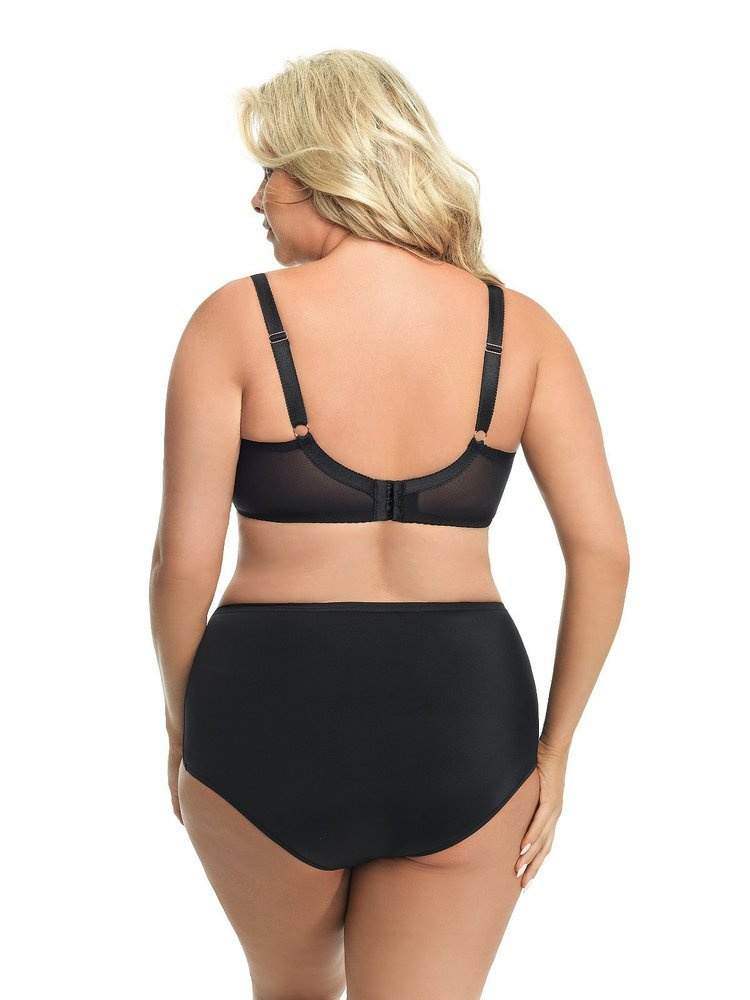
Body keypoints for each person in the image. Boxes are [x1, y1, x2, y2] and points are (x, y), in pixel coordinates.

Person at [149, 49, 629, 1000]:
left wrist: (182, 721)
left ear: (326, 168)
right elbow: (603, 552)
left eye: (271, 171)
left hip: (264, 707)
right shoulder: (520, 328)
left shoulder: (235, 318)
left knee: (289, 990)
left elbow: (182, 565)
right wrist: (555, 748)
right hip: (465, 716)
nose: (257, 200)